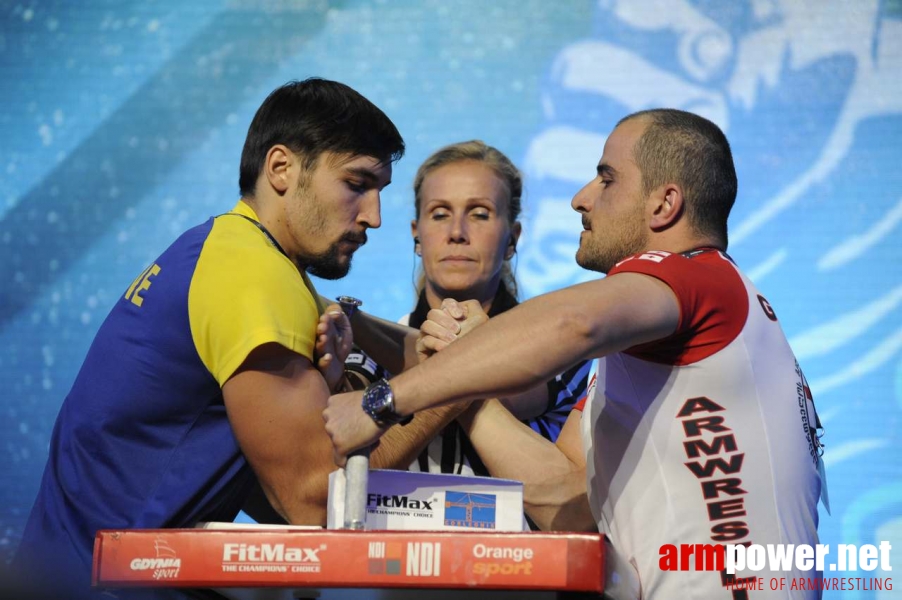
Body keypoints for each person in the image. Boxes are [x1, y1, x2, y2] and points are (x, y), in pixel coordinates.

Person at [324, 109, 826, 598]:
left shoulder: (699, 275)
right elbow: (563, 499)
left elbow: (572, 322)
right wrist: (462, 370)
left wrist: (383, 401)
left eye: (606, 179)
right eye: (440, 214)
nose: (580, 199)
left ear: (664, 204)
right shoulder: (642, 354)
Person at [11, 78, 463, 599]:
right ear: (281, 169)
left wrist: (456, 353)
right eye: (357, 184)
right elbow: (312, 504)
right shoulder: (256, 277)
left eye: (380, 191)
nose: (374, 216)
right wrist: (454, 385)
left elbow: (261, 487)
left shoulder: (227, 247)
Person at [400, 140, 591, 476]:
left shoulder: (561, 346)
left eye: (479, 214)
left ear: (512, 239)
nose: (457, 233)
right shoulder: (370, 353)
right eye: (440, 214)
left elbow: (516, 391)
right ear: (417, 235)